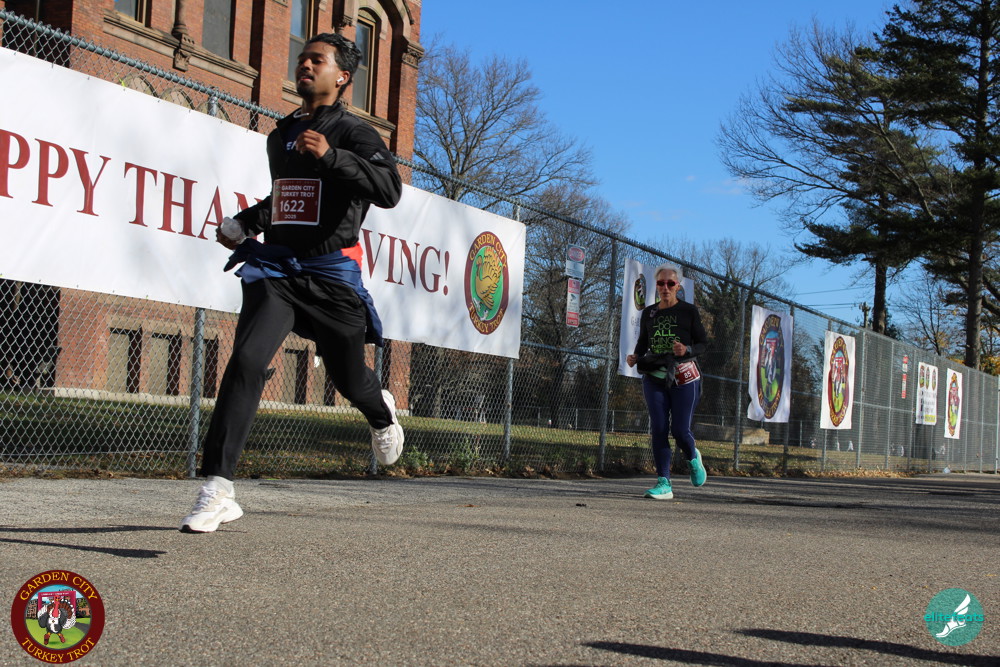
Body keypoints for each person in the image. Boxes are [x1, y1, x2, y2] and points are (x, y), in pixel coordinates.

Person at [181, 33, 404, 533]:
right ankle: (218, 488)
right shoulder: (279, 135)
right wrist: (246, 223)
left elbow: (389, 190)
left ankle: (381, 412)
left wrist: (332, 156)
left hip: (330, 277)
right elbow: (286, 199)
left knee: (348, 378)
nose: (304, 64)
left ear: (342, 76)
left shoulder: (355, 132)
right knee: (246, 360)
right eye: (302, 58)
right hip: (277, 271)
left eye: (316, 60)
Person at [626, 264, 708, 500]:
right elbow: (643, 342)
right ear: (656, 286)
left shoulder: (688, 311)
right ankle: (664, 483)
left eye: (670, 283)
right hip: (654, 376)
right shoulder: (649, 313)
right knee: (659, 428)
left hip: (684, 376)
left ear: (678, 286)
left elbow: (703, 344)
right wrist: (635, 356)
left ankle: (693, 457)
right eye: (661, 283)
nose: (665, 287)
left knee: (680, 430)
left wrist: (687, 349)